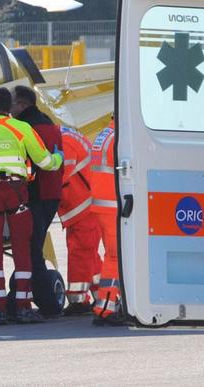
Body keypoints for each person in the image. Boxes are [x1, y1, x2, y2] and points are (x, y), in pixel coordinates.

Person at [0, 87, 63, 325]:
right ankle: (23, 306)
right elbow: (45, 162)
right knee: (22, 251)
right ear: (9, 107)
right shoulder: (22, 128)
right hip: (18, 195)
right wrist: (58, 156)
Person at [11, 85, 64, 313]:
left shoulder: (26, 128)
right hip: (51, 195)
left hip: (35, 196)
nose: (9, 109)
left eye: (12, 104)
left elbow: (32, 163)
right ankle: (18, 296)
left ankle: (47, 304)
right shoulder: (49, 124)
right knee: (32, 249)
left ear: (22, 105)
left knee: (32, 252)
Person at [59, 125, 103, 315]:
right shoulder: (68, 136)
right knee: (89, 253)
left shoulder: (64, 142)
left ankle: (78, 300)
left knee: (81, 252)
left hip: (82, 206)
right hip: (87, 204)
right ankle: (103, 293)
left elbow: (59, 177)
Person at [89, 117, 124, 326]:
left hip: (103, 206)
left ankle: (107, 305)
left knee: (112, 255)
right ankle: (105, 309)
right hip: (112, 206)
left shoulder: (105, 134)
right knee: (115, 257)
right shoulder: (118, 138)